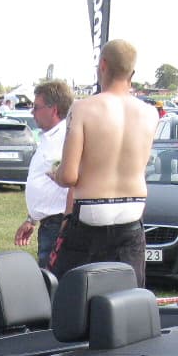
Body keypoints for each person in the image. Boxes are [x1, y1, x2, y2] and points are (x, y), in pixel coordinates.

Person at [50, 39, 153, 286]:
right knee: (128, 299)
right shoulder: (150, 113)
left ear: (103, 65)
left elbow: (69, 176)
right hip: (133, 211)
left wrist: (54, 173)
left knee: (70, 295)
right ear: (132, 73)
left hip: (91, 212)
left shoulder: (83, 108)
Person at [14, 79, 73, 267]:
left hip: (59, 224)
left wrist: (64, 224)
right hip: (49, 224)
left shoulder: (65, 138)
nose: (32, 112)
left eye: (36, 107)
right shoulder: (50, 138)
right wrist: (32, 218)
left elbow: (70, 182)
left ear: (53, 109)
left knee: (53, 284)